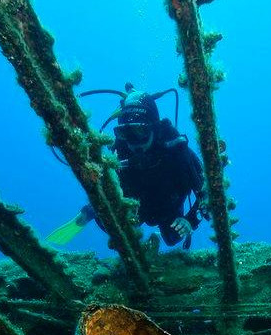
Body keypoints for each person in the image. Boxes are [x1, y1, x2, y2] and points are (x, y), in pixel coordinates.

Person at [47, 84, 209, 250]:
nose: (134, 143)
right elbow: (103, 183)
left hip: (168, 208)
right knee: (113, 227)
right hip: (136, 207)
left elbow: (207, 195)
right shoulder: (120, 152)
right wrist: (97, 206)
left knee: (173, 236)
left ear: (155, 127)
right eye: (126, 133)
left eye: (140, 131)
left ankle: (159, 236)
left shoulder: (178, 152)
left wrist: (190, 221)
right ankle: (90, 212)